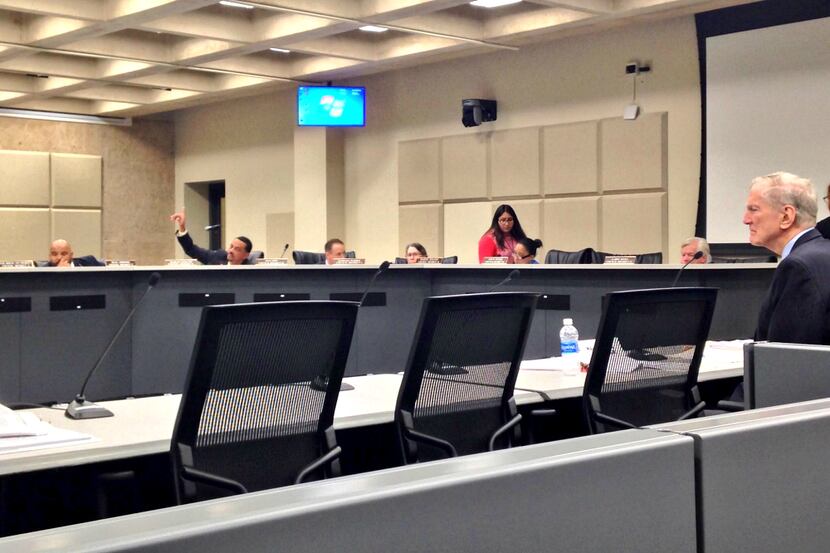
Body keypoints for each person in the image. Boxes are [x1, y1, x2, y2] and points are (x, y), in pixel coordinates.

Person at [743, 171, 830, 344]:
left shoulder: (798, 267)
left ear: (786, 216)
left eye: (754, 209)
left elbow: (785, 356)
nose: (746, 220)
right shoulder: (822, 253)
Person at [169, 209, 253, 265]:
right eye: (231, 247)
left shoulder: (252, 270)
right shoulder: (218, 257)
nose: (231, 250)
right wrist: (182, 226)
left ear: (246, 255)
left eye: (237, 249)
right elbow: (191, 249)